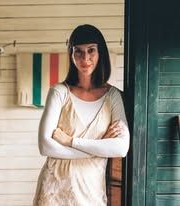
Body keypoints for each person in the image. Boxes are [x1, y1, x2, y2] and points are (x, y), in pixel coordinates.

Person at [33, 24, 130, 206]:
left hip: (91, 191)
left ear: (100, 53)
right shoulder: (59, 92)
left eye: (91, 50)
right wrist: (99, 149)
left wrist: (71, 141)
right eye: (78, 51)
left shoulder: (113, 96)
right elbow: (45, 146)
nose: (85, 58)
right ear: (71, 54)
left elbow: (121, 148)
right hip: (54, 191)